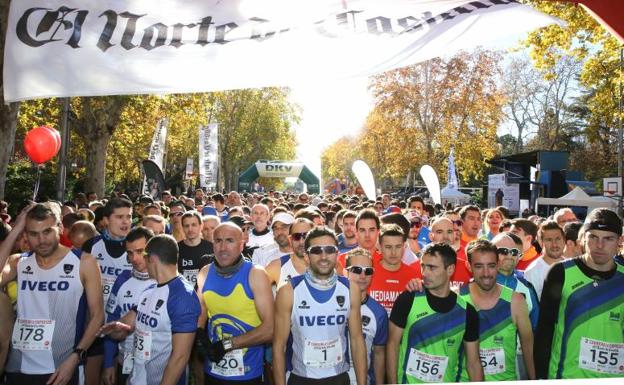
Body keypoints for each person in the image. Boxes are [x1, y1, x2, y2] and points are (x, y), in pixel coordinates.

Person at [1, 203, 104, 385]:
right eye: (33, 233)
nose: (41, 240)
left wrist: (76, 357)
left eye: (47, 231)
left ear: (60, 228)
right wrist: (16, 229)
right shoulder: (19, 262)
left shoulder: (84, 262)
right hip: (19, 365)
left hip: (60, 367)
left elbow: (97, 316)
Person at [99, 235, 201, 385]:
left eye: (144, 255)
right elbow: (126, 324)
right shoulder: (150, 289)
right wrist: (113, 329)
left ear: (151, 258)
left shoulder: (182, 296)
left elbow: (180, 357)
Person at [535, 208, 624, 379]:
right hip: (566, 376)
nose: (599, 245)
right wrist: (540, 377)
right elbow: (544, 330)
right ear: (583, 237)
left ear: (619, 241)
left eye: (608, 239)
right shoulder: (560, 272)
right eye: (593, 237)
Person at [273, 226, 367, 385]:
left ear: (337, 255)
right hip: (302, 379)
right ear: (307, 257)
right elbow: (278, 347)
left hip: (339, 378)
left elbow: (357, 340)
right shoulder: (288, 291)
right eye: (316, 250)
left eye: (330, 250)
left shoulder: (351, 289)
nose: (324, 256)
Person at [386, 243, 483, 383]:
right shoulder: (408, 299)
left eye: (432, 267)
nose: (425, 273)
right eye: (423, 266)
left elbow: (473, 364)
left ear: (450, 269)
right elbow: (392, 345)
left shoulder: (467, 312)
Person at [196, 223, 274, 385]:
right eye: (218, 241)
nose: (223, 247)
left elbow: (270, 330)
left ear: (241, 245)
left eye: (229, 241)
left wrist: (227, 345)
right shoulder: (204, 272)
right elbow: (201, 315)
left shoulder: (255, 274)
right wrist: (200, 337)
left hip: (247, 373)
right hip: (214, 368)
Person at [459, 240, 535, 381]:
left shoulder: (516, 301)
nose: (486, 273)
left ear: (498, 265)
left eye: (491, 266)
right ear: (468, 266)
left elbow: (528, 349)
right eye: (479, 266)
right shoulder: (457, 298)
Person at [82, 197, 134, 384]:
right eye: (119, 217)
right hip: (94, 324)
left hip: (125, 327)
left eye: (129, 217)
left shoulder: (137, 247)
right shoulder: (91, 246)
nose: (125, 222)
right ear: (106, 220)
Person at [102, 227, 156, 385]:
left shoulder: (165, 280)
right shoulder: (122, 280)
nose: (135, 258)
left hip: (155, 364)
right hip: (124, 361)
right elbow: (112, 322)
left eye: (140, 251)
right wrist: (108, 363)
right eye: (130, 253)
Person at [344, 248, 388, 385]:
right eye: (357, 270)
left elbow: (379, 354)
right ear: (346, 272)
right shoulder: (330, 303)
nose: (363, 276)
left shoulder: (379, 312)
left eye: (368, 271)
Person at [368, 224, 417, 315]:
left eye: (398, 247)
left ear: (404, 246)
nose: (393, 252)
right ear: (380, 247)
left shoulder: (415, 276)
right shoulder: (367, 273)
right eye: (388, 247)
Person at [265, 218, 314, 288]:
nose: (301, 242)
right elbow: (254, 291)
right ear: (290, 240)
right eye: (296, 237)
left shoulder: (327, 263)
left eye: (306, 236)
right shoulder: (277, 266)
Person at [524, 221, 566, 298]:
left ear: (564, 241)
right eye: (549, 240)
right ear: (541, 242)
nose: (554, 244)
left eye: (558, 239)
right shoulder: (532, 272)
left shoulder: (572, 265)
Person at [178, 211, 213, 287]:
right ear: (182, 228)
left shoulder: (212, 248)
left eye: (194, 225)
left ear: (201, 226)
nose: (190, 229)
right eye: (186, 226)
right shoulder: (176, 249)